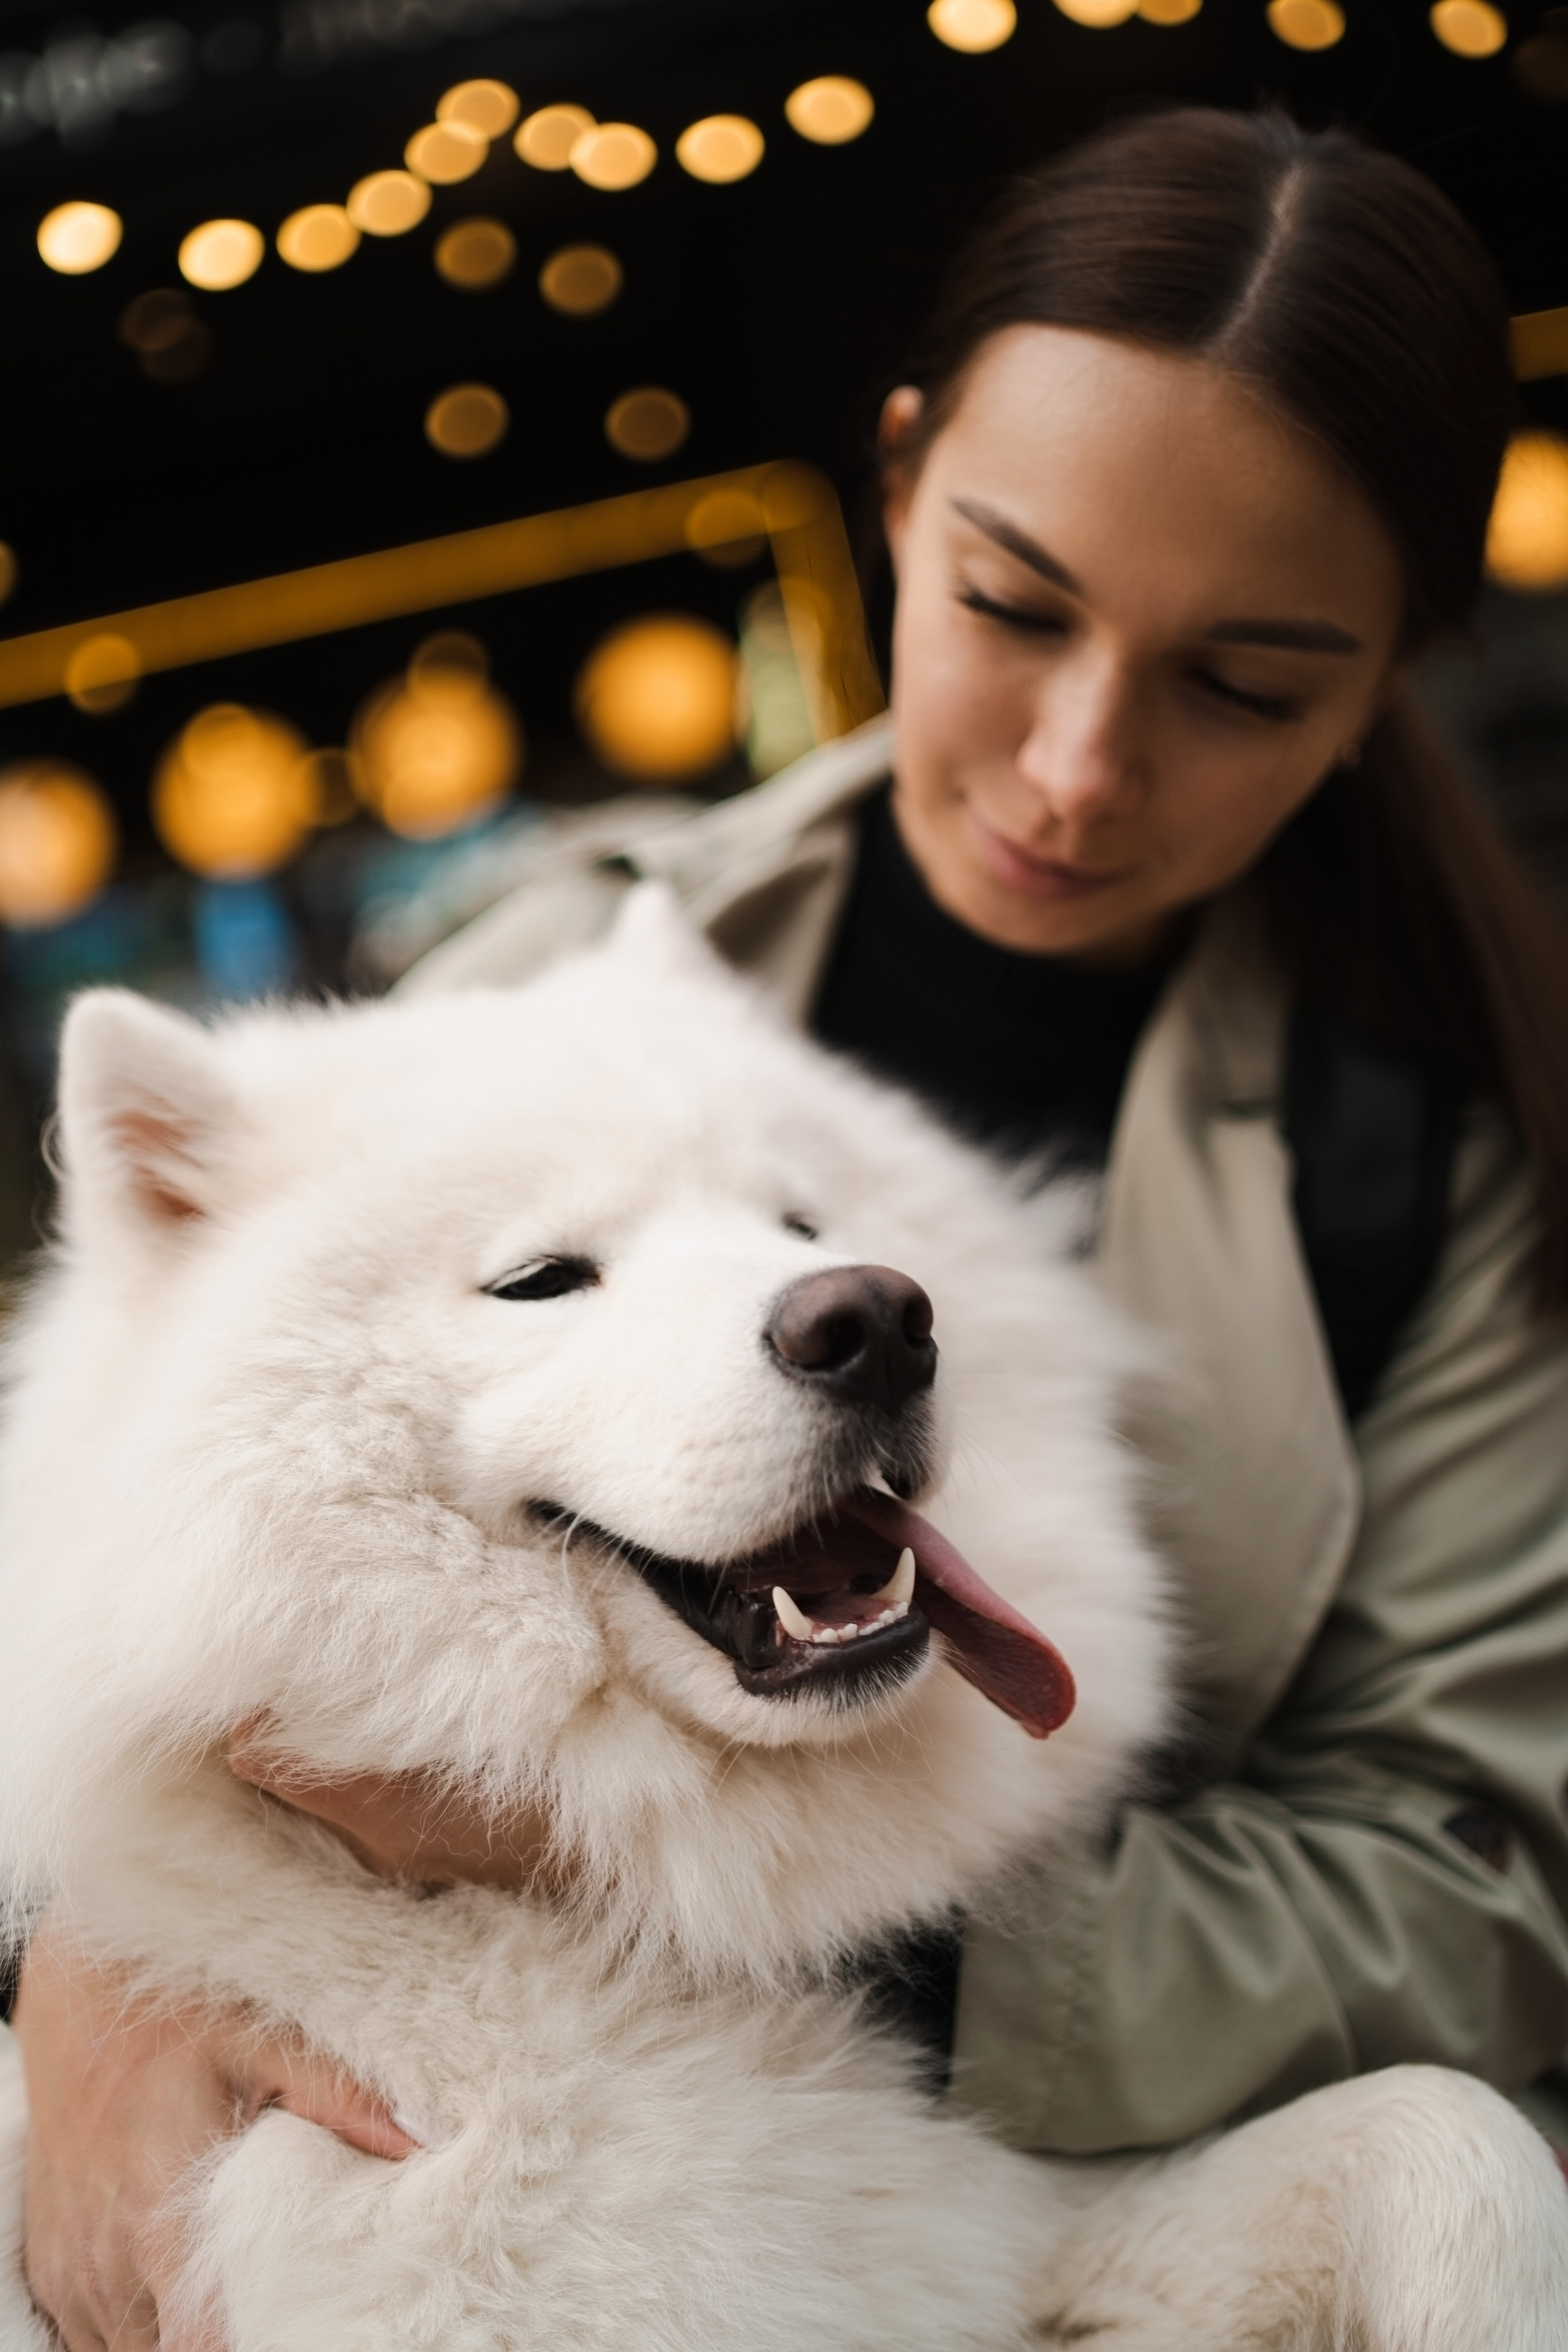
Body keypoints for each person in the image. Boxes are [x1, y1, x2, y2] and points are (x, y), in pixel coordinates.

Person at [12, 104, 1568, 2348]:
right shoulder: (559, 961)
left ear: (1389, 669)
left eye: (1242, 684)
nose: (1074, 764)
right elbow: (145, 1495)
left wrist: (854, 1924)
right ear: (904, 483)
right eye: (1012, 607)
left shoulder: (1438, 1158)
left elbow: (1476, 1879)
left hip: (1053, 2148)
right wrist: (79, 1948)